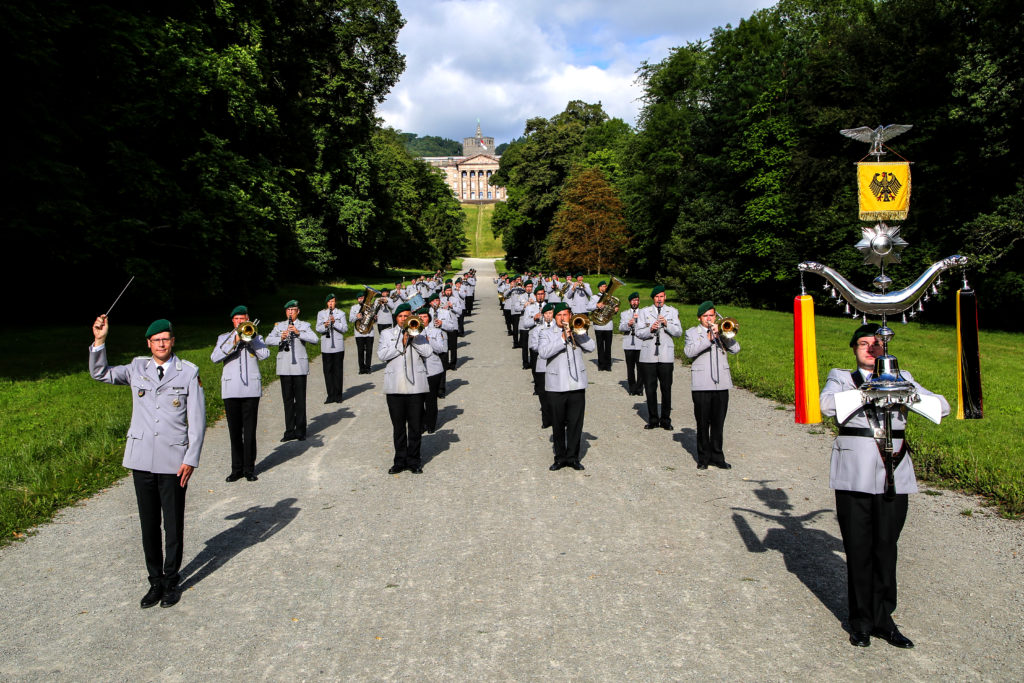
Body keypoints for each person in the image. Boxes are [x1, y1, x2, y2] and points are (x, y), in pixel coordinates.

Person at [820, 323, 949, 649]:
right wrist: (869, 390)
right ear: (854, 348)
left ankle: (884, 619)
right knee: (858, 549)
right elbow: (827, 406)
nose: (870, 348)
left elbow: (942, 406)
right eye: (863, 343)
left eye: (876, 343)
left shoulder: (901, 375)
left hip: (895, 474)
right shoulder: (842, 377)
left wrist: (904, 391)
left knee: (886, 548)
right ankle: (861, 621)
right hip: (855, 474)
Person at [89, 316, 205, 609]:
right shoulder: (136, 367)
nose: (161, 344)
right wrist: (100, 340)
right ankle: (154, 582)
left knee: (173, 524)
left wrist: (190, 458)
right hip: (141, 459)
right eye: (156, 340)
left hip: (174, 460)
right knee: (149, 523)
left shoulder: (188, 373)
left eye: (166, 339)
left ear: (173, 341)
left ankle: (171, 580)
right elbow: (100, 373)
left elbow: (197, 422)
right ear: (149, 344)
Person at [211, 305, 269, 482]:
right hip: (231, 391)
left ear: (248, 319)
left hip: (251, 390)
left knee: (250, 431)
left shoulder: (256, 336)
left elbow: (265, 354)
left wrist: (250, 341)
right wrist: (234, 341)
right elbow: (214, 358)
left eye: (242, 319)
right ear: (232, 321)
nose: (240, 322)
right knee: (234, 432)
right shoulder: (224, 337)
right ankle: (236, 469)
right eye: (237, 320)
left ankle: (249, 469)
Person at [683, 301, 741, 469]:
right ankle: (703, 458)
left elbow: (736, 349)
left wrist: (723, 335)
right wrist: (709, 338)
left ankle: (718, 457)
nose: (709, 319)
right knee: (702, 423)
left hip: (721, 384)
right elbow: (689, 352)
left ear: (716, 316)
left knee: (718, 422)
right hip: (702, 384)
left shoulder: (722, 331)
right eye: (705, 316)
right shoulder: (692, 332)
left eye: (711, 315)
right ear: (699, 318)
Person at [538, 302, 595, 471]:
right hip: (556, 386)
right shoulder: (546, 333)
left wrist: (579, 334)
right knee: (558, 423)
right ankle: (560, 457)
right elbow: (543, 353)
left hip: (577, 384)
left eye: (565, 315)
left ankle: (573, 457)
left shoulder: (578, 330)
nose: (563, 318)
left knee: (576, 423)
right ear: (554, 317)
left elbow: (591, 348)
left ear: (571, 315)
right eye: (559, 315)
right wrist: (563, 337)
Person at [378, 303, 432, 474]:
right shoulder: (387, 334)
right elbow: (382, 355)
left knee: (415, 426)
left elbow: (428, 352)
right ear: (396, 318)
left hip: (416, 387)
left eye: (407, 316)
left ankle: (414, 460)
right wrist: (401, 343)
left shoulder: (419, 333)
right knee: (398, 427)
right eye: (401, 316)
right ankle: (399, 460)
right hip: (395, 387)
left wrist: (414, 338)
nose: (404, 319)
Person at [266, 300, 318, 441]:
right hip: (284, 367)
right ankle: (289, 430)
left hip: (299, 368)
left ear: (298, 311)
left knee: (300, 400)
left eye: (293, 310)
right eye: (288, 310)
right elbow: (267, 340)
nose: (290, 312)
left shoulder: (304, 325)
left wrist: (298, 333)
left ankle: (300, 430)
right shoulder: (279, 326)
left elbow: (315, 339)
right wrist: (280, 337)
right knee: (287, 400)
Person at [634, 285, 682, 430]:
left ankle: (666, 420)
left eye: (661, 296)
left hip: (666, 356)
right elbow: (638, 332)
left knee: (666, 389)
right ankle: (653, 419)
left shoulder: (672, 311)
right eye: (656, 297)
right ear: (653, 298)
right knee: (650, 388)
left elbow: (678, 332)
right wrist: (651, 329)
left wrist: (666, 324)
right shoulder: (644, 312)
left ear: (665, 297)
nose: (659, 299)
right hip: (648, 356)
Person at [418, 306, 448, 434]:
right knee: (418, 400)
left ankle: (430, 424)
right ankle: (420, 423)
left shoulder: (435, 332)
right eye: (419, 317)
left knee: (430, 399)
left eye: (424, 317)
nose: (422, 319)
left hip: (432, 369)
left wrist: (429, 341)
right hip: (417, 370)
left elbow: (441, 349)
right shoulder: (412, 331)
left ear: (428, 319)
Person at [316, 293, 348, 404]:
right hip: (326, 347)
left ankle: (338, 395)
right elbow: (318, 328)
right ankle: (330, 395)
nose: (331, 304)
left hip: (338, 347)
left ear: (336, 302)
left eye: (333, 301)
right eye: (329, 302)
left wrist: (334, 323)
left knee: (338, 371)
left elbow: (345, 329)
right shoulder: (321, 314)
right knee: (327, 371)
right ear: (326, 303)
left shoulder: (341, 313)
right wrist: (325, 325)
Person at [529, 302, 556, 428]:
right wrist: (545, 347)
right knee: (543, 393)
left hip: (556, 364)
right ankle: (546, 419)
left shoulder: (559, 328)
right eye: (547, 313)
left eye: (551, 313)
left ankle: (558, 418)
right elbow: (533, 346)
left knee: (556, 393)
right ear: (543, 315)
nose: (549, 316)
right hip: (542, 364)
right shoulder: (538, 329)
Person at [619, 292, 643, 395]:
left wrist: (638, 322)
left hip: (640, 343)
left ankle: (640, 388)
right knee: (630, 367)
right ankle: (632, 388)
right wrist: (628, 324)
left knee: (641, 367)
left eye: (637, 300)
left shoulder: (643, 313)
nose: (635, 302)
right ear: (630, 302)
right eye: (633, 300)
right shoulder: (624, 314)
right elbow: (620, 328)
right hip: (629, 344)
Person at [590, 280, 616, 371]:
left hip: (608, 325)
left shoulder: (610, 297)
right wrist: (597, 305)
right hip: (598, 325)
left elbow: (613, 309)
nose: (604, 288)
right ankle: (601, 365)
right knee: (600, 346)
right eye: (602, 286)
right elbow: (588, 307)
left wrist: (615, 310)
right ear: (599, 287)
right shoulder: (594, 297)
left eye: (605, 286)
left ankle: (608, 365)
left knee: (608, 346)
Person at [349, 292, 375, 374]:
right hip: (359, 333)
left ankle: (368, 368)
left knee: (369, 350)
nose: (361, 299)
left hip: (369, 332)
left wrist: (375, 317)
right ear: (357, 299)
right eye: (359, 298)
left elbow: (374, 319)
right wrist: (356, 317)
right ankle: (361, 368)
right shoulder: (354, 308)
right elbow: (350, 320)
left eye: (362, 298)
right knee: (360, 351)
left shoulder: (370, 306)